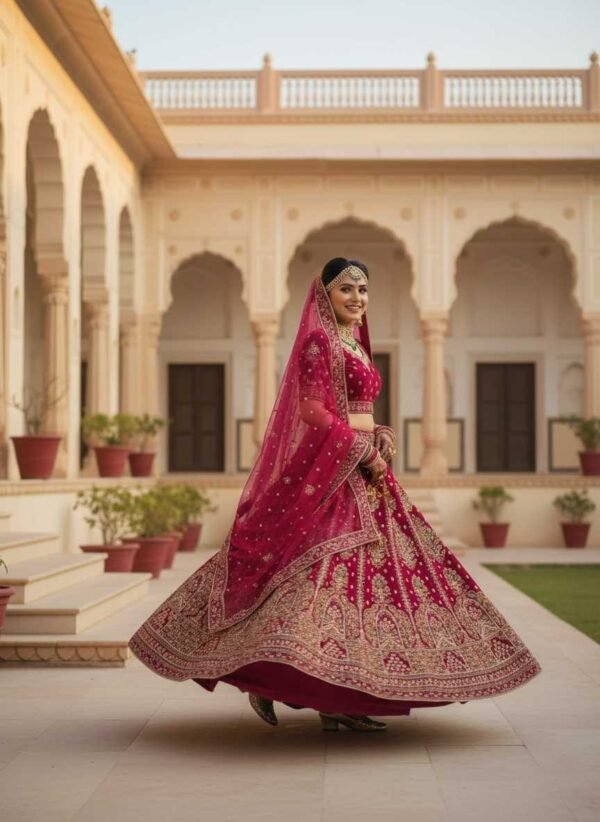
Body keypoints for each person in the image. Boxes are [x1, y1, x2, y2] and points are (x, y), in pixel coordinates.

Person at [129, 257, 542, 733]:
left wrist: (379, 433)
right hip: (336, 474)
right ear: (325, 294)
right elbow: (313, 412)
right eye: (347, 289)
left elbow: (357, 408)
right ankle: (269, 680)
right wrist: (362, 450)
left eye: (364, 290)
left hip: (363, 470)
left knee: (369, 591)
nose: (357, 298)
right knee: (317, 583)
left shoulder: (354, 344)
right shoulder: (318, 343)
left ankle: (342, 695)